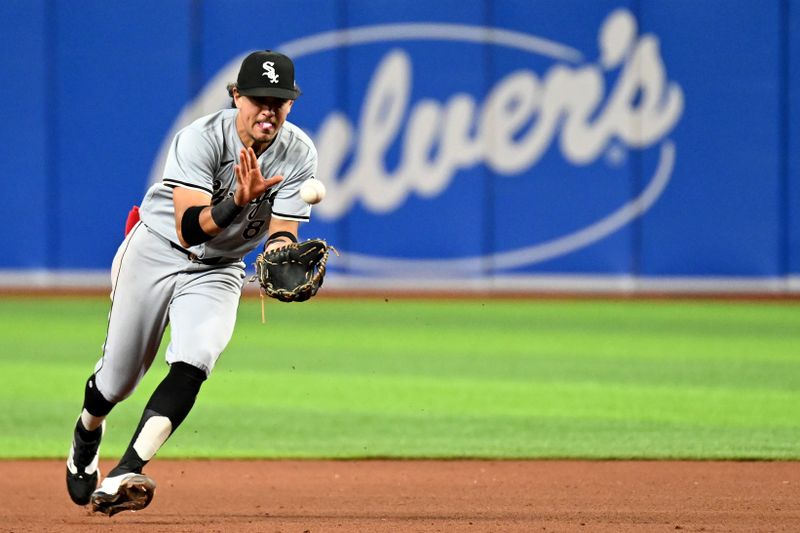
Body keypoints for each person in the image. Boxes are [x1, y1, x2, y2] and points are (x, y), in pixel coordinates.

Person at [65, 50, 317, 516]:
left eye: (278, 101)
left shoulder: (299, 151)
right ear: (236, 96)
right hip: (156, 250)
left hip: (219, 269)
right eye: (258, 98)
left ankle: (126, 469)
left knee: (196, 357)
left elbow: (283, 228)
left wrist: (281, 250)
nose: (268, 109)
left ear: (291, 104)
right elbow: (190, 228)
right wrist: (236, 202)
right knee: (117, 381)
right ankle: (87, 428)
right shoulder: (199, 138)